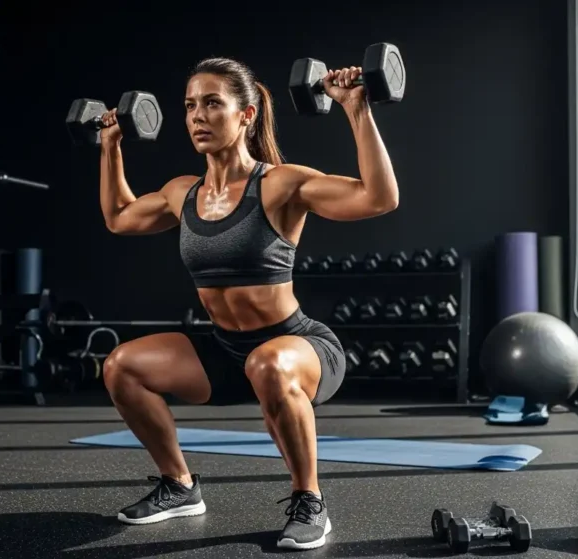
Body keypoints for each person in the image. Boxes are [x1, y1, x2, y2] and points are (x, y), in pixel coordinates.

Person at [96, 57, 399, 550]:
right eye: (190, 105)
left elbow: (378, 198)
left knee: (268, 363)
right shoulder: (181, 194)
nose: (198, 116)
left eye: (212, 103)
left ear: (247, 115)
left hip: (299, 349)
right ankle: (179, 485)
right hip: (227, 352)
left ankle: (310, 501)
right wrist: (110, 146)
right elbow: (119, 217)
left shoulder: (279, 184)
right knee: (121, 366)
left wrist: (356, 108)